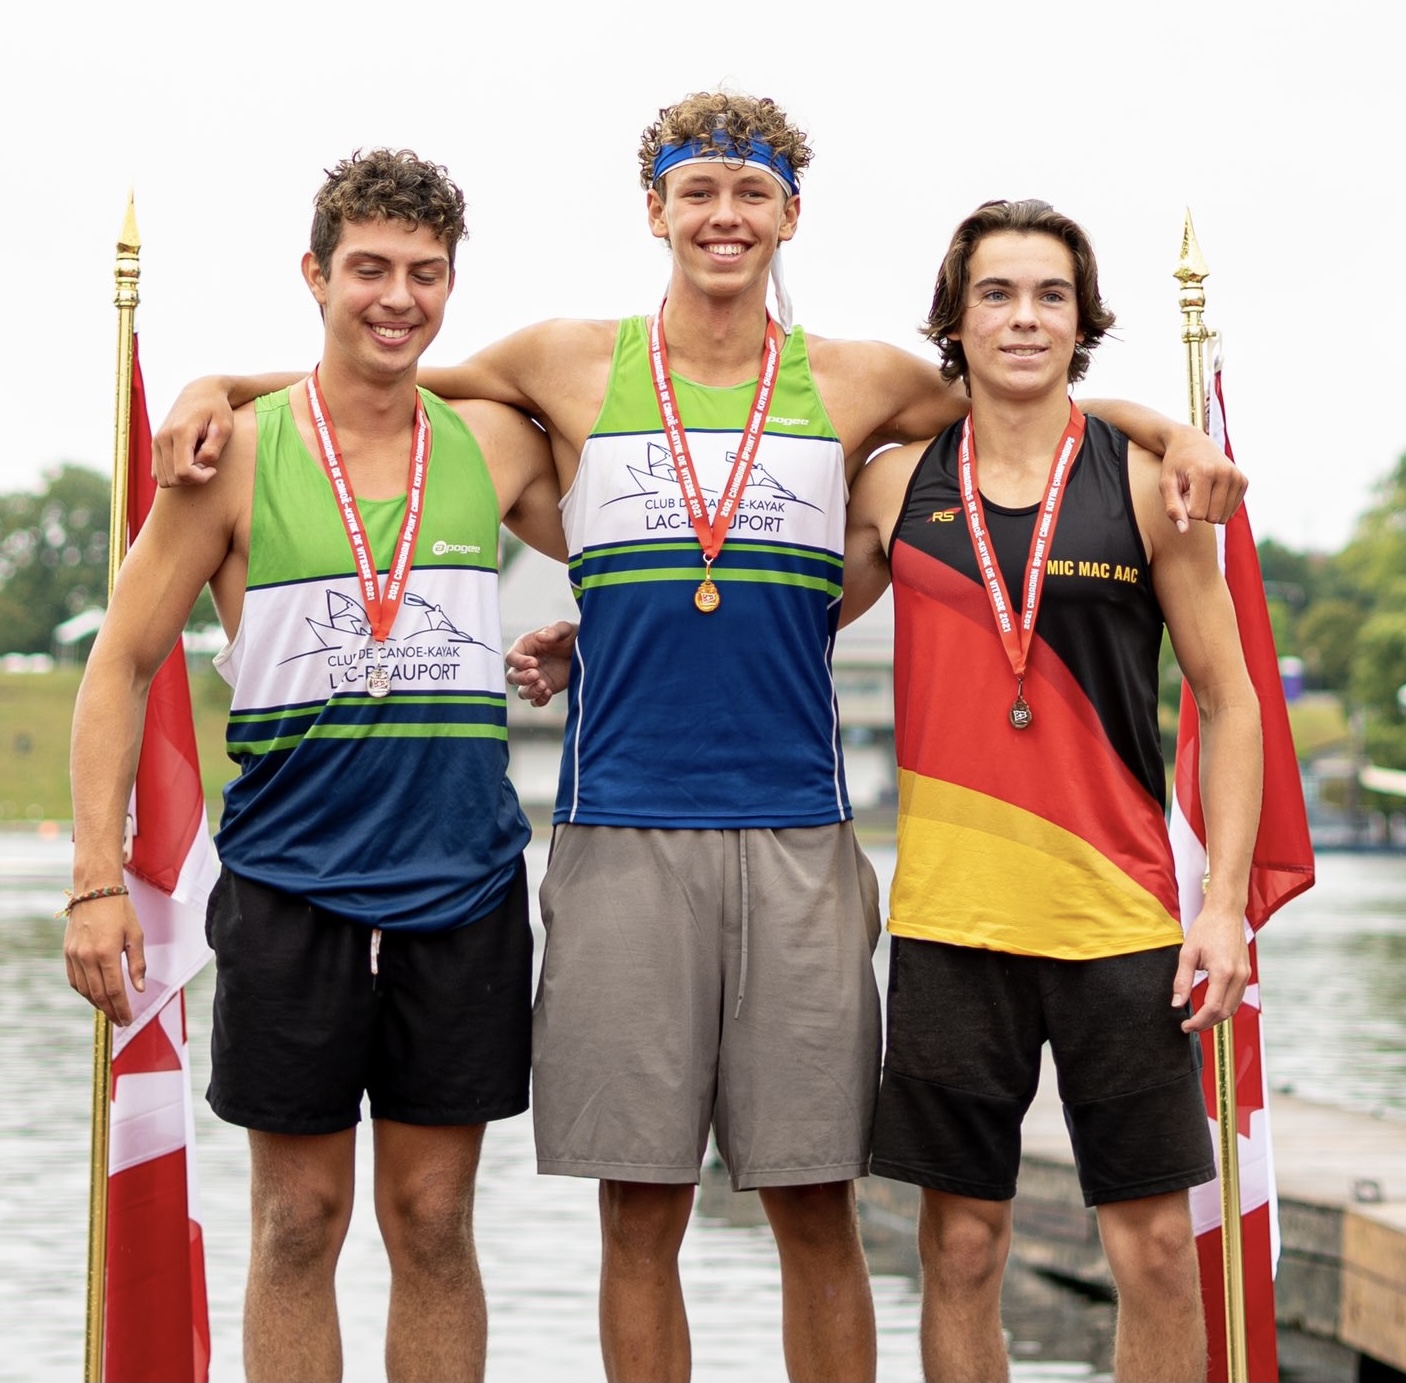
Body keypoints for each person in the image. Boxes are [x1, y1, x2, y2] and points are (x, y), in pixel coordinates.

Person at [149, 94, 1246, 1383]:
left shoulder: (860, 380)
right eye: (698, 191)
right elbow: (383, 372)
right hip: (618, 840)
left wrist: (1170, 432)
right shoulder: (564, 362)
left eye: (751, 192)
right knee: (639, 1216)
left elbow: (1022, 394)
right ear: (655, 210)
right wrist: (217, 384)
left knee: (815, 1207)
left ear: (790, 214)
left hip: (797, 839)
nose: (724, 216)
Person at [63, 148, 564, 1382]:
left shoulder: (494, 442)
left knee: (434, 1220)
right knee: (297, 1221)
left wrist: (581, 632)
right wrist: (93, 880)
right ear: (315, 273)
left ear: (450, 286)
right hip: (292, 885)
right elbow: (119, 666)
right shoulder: (231, 455)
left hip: (462, 883)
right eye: (369, 269)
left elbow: (642, 549)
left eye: (424, 274)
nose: (396, 298)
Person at [842, 198, 1262, 1383]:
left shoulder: (1147, 482)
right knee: (961, 1248)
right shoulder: (893, 485)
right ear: (955, 320)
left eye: (1049, 296)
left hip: (1117, 922)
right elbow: (771, 616)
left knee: (1155, 1252)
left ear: (1081, 322)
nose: (1022, 318)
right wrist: (589, 639)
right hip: (949, 922)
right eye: (995, 294)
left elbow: (1228, 702)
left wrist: (1221, 906)